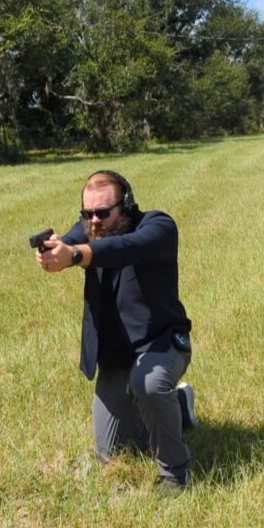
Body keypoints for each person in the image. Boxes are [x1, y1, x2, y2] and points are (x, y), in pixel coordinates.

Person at [36, 170, 198, 490]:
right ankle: (178, 407)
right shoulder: (90, 230)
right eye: (87, 213)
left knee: (149, 383)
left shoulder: (158, 227)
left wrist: (77, 255)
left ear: (125, 206)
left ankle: (175, 471)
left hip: (161, 344)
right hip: (117, 357)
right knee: (114, 451)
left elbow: (126, 247)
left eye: (103, 213)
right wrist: (56, 249)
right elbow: (71, 239)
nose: (94, 222)